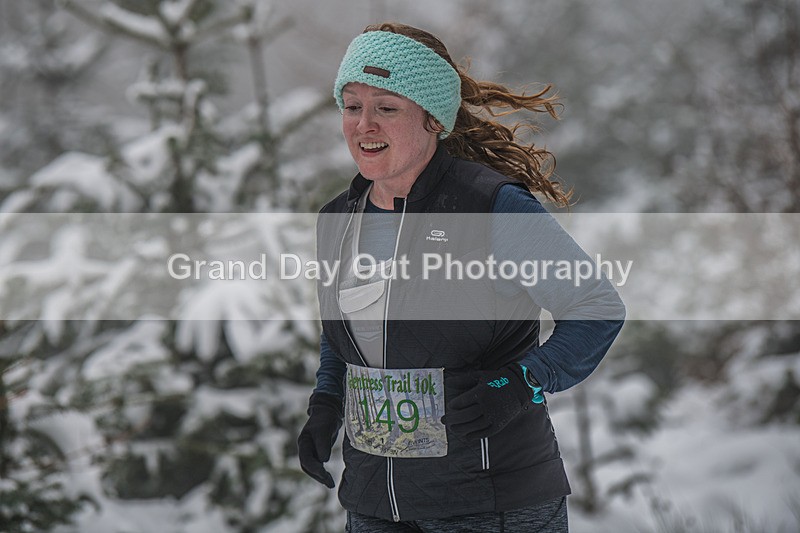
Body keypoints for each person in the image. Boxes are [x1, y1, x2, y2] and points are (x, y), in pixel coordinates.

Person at [297, 22, 625, 533]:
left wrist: (522, 382)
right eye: (352, 105)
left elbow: (595, 307)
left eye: (386, 107)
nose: (364, 125)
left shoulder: (490, 207)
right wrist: (325, 403)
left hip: (491, 500)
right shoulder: (337, 219)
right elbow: (345, 330)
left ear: (433, 119)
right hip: (375, 502)